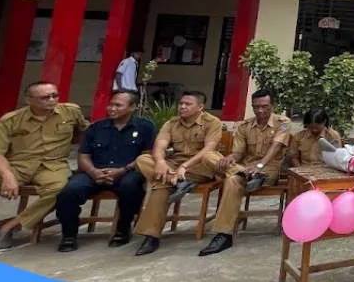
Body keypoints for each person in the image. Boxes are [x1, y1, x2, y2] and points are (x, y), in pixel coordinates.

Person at [0, 82, 87, 250]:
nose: (52, 100)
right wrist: (7, 177)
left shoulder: (71, 111)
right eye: (45, 97)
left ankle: (9, 227)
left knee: (62, 190)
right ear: (29, 100)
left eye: (55, 95)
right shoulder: (11, 120)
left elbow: (86, 132)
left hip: (53, 166)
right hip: (16, 166)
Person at [133, 90, 242, 256]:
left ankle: (174, 184)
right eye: (181, 103)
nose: (182, 107)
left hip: (199, 168)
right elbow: (160, 145)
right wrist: (161, 162)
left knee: (207, 156)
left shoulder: (212, 122)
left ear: (200, 107)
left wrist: (185, 166)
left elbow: (208, 148)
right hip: (174, 167)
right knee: (144, 161)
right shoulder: (171, 123)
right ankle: (152, 235)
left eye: (188, 104)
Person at [193, 90, 294, 256]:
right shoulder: (244, 126)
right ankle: (224, 235)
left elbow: (276, 146)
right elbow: (239, 153)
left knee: (233, 179)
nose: (260, 111)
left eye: (265, 107)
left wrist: (260, 166)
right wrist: (230, 158)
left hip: (268, 170)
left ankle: (223, 234)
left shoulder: (283, 123)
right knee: (211, 157)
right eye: (256, 107)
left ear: (272, 106)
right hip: (244, 169)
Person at [54, 90, 154, 252]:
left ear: (132, 107)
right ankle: (69, 235)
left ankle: (122, 229)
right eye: (111, 104)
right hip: (94, 172)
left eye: (118, 105)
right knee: (69, 191)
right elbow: (83, 155)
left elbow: (146, 155)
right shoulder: (96, 128)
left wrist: (122, 170)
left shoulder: (145, 127)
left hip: (127, 172)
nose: (112, 109)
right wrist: (93, 172)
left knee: (131, 186)